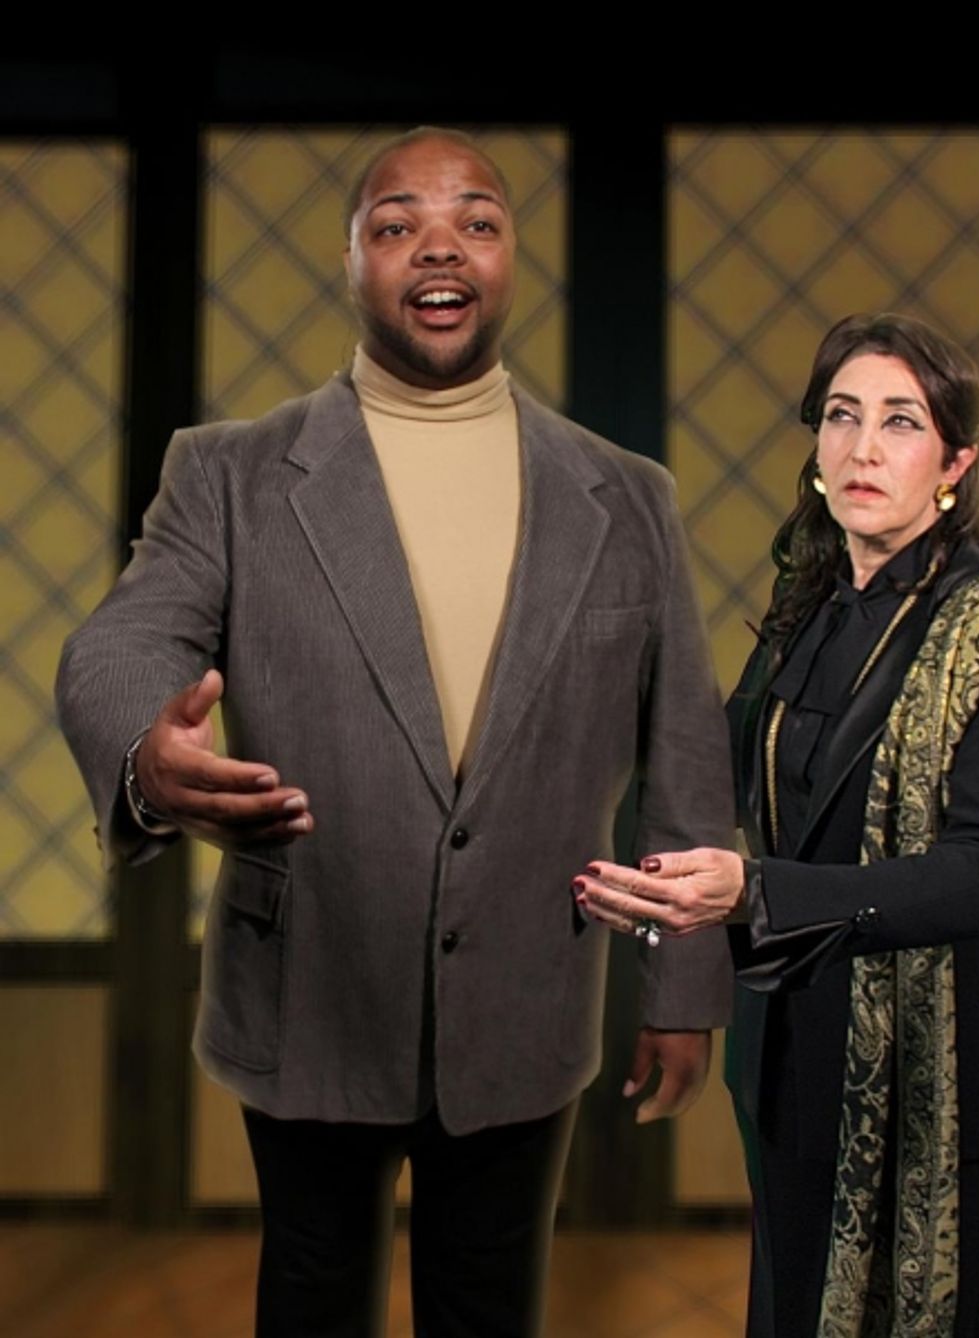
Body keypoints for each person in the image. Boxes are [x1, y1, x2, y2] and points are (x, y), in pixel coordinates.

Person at [57, 127, 734, 1338]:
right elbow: (121, 644)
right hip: (307, 981)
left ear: (511, 256)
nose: (441, 246)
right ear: (355, 261)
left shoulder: (627, 494)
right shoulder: (230, 474)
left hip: (533, 988)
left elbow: (684, 747)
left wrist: (683, 981)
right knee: (311, 1298)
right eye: (396, 223)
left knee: (489, 1304)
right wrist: (144, 758)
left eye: (477, 219)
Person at [575, 313, 979, 1337]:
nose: (864, 447)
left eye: (901, 422)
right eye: (841, 416)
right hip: (788, 1062)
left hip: (944, 1075)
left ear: (954, 463)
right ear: (816, 448)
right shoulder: (806, 610)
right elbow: (707, 777)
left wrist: (757, 891)